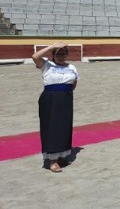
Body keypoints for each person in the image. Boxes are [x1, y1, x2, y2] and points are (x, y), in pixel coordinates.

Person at [32, 42, 80, 173]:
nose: (61, 56)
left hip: (65, 99)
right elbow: (35, 56)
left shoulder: (72, 67)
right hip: (50, 99)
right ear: (53, 55)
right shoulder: (47, 65)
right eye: (58, 53)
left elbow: (74, 83)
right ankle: (52, 161)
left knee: (64, 127)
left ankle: (61, 156)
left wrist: (65, 94)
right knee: (51, 127)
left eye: (64, 53)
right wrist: (52, 46)